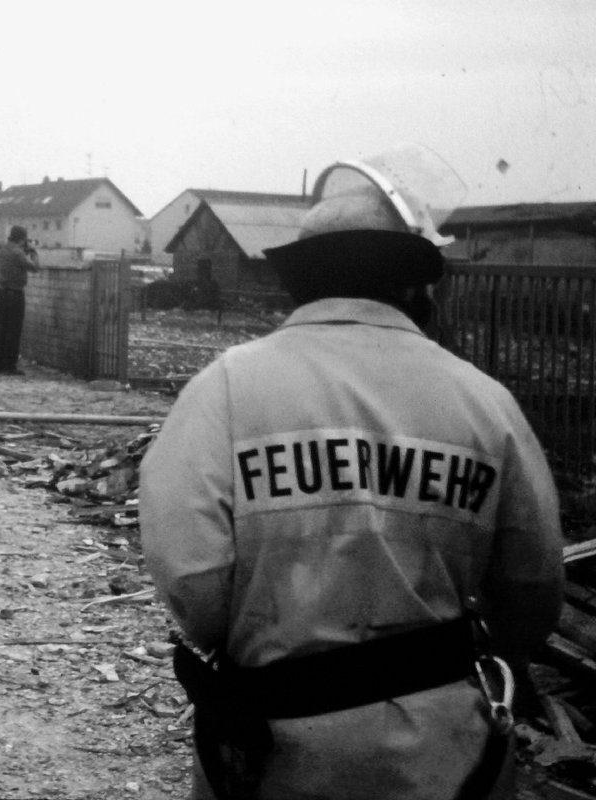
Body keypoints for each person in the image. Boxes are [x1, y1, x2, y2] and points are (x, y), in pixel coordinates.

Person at [140, 147, 564, 799]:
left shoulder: (224, 389)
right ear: (415, 283)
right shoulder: (486, 403)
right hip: (445, 759)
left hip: (271, 750)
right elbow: (532, 588)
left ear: (300, 279)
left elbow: (194, 586)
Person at [0, 225, 39, 375]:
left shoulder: (4, 249)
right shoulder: (18, 252)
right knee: (14, 330)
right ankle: (9, 366)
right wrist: (33, 252)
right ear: (22, 239)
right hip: (15, 294)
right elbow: (35, 267)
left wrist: (24, 250)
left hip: (2, 293)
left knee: (3, 329)